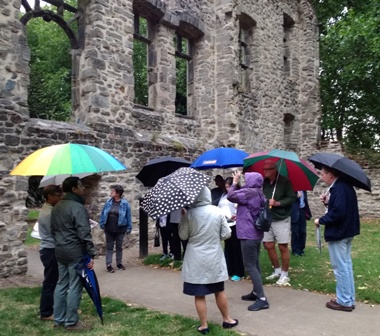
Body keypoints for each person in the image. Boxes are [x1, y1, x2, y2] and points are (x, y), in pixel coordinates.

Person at [179, 187, 238, 334]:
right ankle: (227, 319)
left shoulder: (189, 214)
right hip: (214, 256)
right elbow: (227, 233)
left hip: (195, 258)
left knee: (199, 294)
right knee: (219, 290)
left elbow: (183, 236)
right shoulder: (217, 211)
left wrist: (183, 218)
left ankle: (204, 325)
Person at [51, 177, 95, 331]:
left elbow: (53, 231)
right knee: (75, 286)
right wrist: (91, 253)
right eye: (81, 185)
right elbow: (84, 232)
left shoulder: (57, 206)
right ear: (74, 189)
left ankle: (58, 319)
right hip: (75, 251)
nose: (84, 188)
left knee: (61, 283)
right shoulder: (77, 207)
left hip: (60, 250)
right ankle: (71, 322)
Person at [314, 166, 359, 312]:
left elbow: (338, 212)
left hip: (339, 232)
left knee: (340, 267)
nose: (321, 177)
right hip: (346, 231)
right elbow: (340, 208)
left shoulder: (338, 188)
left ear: (331, 174)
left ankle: (344, 301)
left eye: (323, 174)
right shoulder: (344, 186)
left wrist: (321, 220)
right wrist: (327, 203)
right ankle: (348, 298)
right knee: (345, 265)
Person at [227, 171, 270, 311]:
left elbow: (231, 195)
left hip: (248, 235)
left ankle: (262, 299)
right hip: (256, 233)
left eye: (247, 179)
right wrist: (239, 215)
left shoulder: (249, 192)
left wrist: (235, 181)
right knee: (255, 264)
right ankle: (256, 292)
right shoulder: (259, 192)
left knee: (250, 265)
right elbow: (249, 209)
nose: (245, 181)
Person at [262, 160, 296, 286]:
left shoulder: (284, 182)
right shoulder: (264, 182)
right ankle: (276, 270)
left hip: (281, 217)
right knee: (269, 244)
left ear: (274, 170)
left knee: (282, 246)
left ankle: (284, 273)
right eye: (264, 169)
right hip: (268, 217)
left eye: (267, 169)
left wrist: (277, 203)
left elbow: (292, 198)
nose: (265, 172)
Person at [38, 185, 63, 321]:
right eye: (58, 196)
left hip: (50, 249)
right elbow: (57, 233)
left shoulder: (51, 210)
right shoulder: (49, 214)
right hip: (50, 250)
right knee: (50, 282)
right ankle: (46, 312)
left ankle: (52, 308)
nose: (60, 198)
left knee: (54, 281)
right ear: (50, 197)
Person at [99, 185, 132, 273]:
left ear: (118, 193)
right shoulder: (108, 202)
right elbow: (103, 213)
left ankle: (119, 263)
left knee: (119, 247)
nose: (111, 192)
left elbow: (128, 216)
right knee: (109, 246)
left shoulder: (125, 204)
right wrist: (102, 223)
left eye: (113, 191)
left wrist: (129, 227)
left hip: (120, 228)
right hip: (109, 228)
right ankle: (109, 264)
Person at [218, 177, 244, 281]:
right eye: (226, 187)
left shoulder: (238, 195)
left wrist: (236, 213)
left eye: (229, 186)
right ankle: (229, 268)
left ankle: (239, 271)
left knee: (236, 248)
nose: (228, 189)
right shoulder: (223, 195)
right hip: (226, 224)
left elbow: (239, 207)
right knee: (228, 247)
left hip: (235, 223)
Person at [291, 191, 312, 256]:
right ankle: (295, 250)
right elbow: (289, 200)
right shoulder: (292, 189)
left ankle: (301, 249)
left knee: (303, 231)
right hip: (294, 211)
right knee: (295, 231)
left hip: (302, 210)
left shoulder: (304, 190)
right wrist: (296, 197)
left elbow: (305, 200)